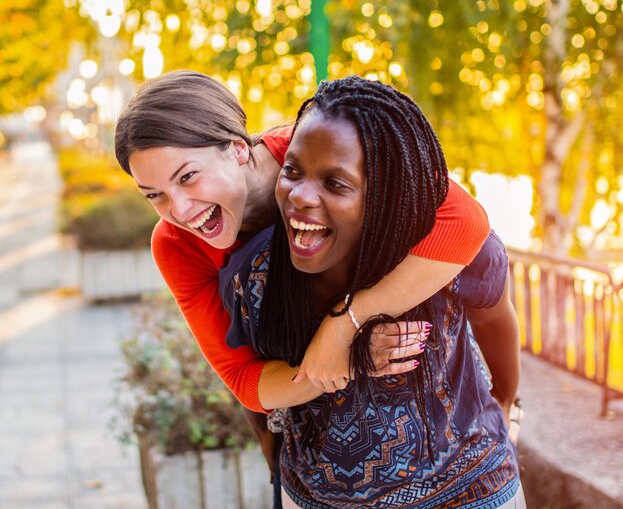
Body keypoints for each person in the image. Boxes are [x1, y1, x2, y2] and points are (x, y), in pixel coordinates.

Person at [114, 70, 494, 504]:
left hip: (454, 453)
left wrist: (347, 322)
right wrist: (346, 360)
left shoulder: (328, 141)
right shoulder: (176, 246)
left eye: (187, 177)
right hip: (310, 467)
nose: (178, 209)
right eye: (154, 195)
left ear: (238, 148)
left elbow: (466, 221)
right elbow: (244, 379)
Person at [220, 76, 524, 508]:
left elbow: (496, 318)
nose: (300, 196)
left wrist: (508, 400)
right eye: (292, 170)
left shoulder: (450, 260)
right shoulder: (252, 278)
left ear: (385, 195)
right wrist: (279, 468)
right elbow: (253, 386)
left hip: (469, 494)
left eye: (336, 183)